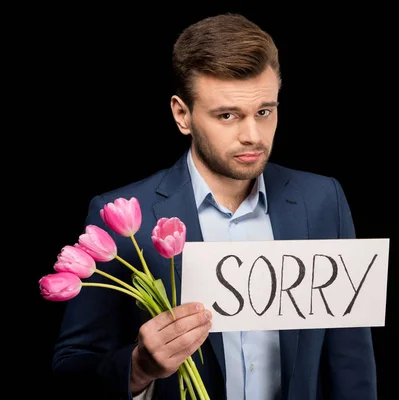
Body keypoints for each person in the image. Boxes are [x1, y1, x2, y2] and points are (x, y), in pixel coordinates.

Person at [51, 12, 378, 400]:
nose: (252, 136)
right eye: (227, 115)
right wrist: (139, 366)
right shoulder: (123, 217)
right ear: (182, 114)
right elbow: (72, 371)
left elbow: (351, 361)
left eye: (264, 111)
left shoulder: (323, 200)